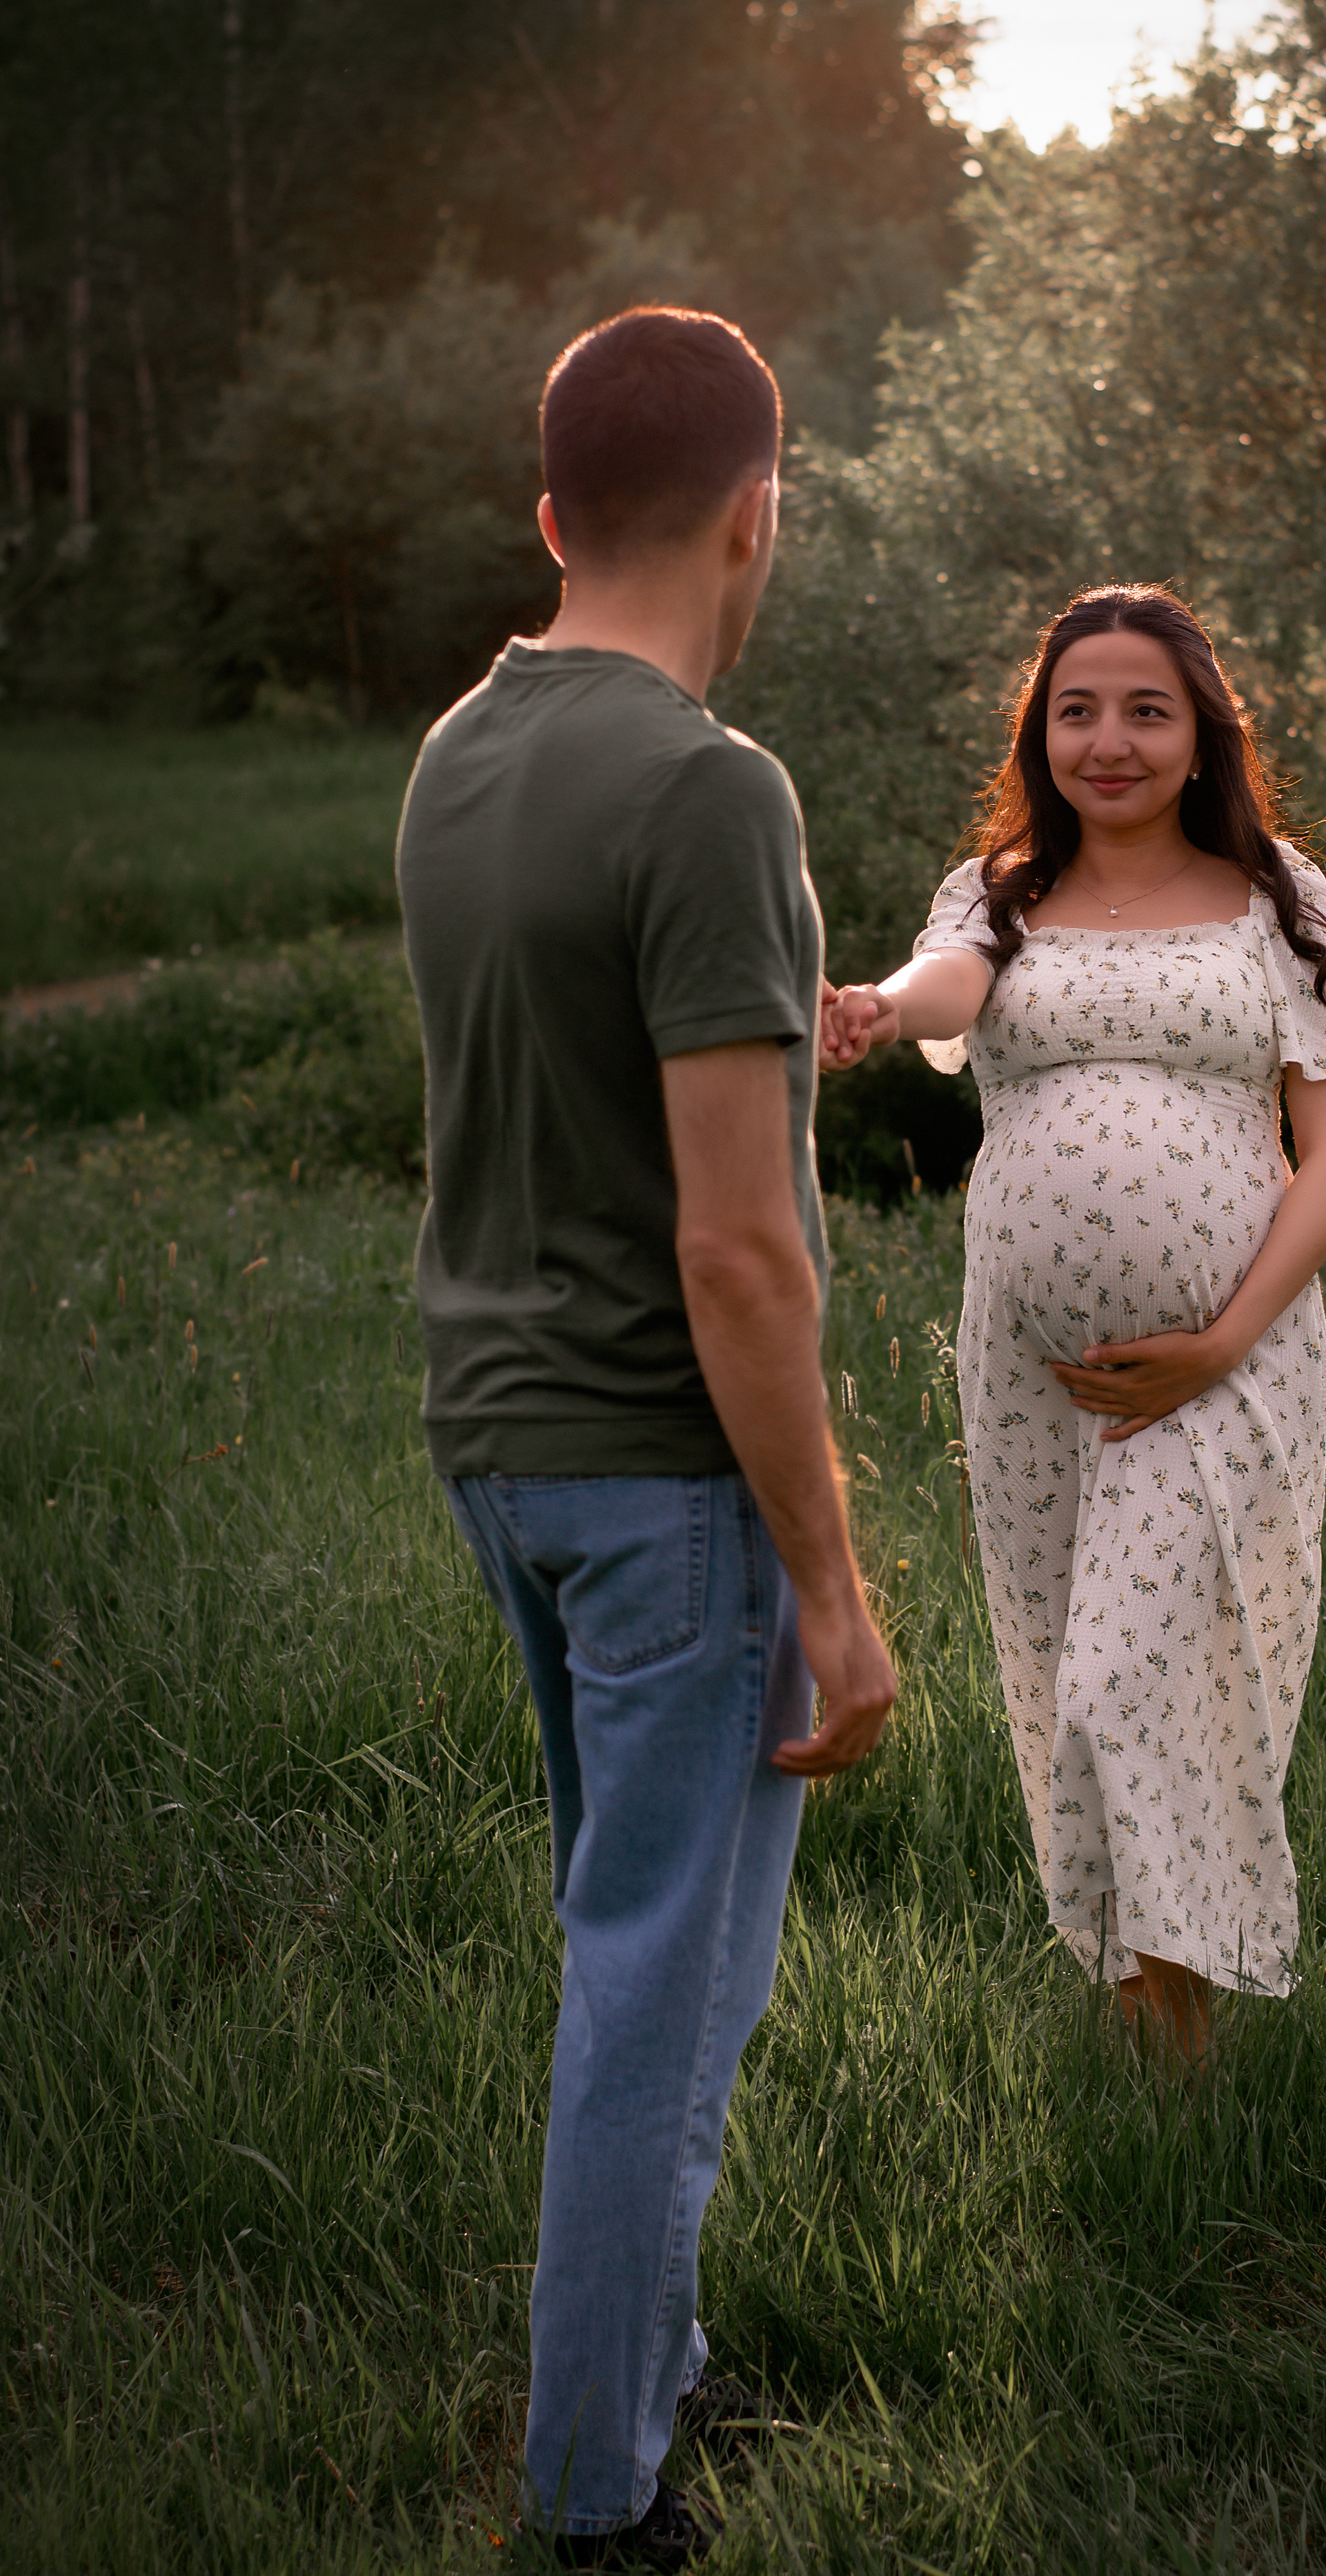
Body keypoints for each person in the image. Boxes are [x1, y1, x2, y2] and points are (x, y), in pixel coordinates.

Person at [397, 306, 897, 2570]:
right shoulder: (714, 787)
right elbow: (742, 1259)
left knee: (631, 1944)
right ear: (754, 513)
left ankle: (646, 2369)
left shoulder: (461, 752)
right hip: (664, 1475)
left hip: (499, 1444)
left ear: (546, 515)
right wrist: (837, 1584)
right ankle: (602, 2500)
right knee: (661, 1995)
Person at [822, 585, 1326, 2068]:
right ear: (1038, 732)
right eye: (1076, 710)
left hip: (1223, 1368)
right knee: (1073, 1684)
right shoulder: (994, 892)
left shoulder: (1278, 899)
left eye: (1144, 709)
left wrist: (1222, 1336)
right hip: (1029, 1378)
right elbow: (950, 986)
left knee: (1135, 1681)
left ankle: (1177, 2068)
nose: (1107, 739)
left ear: (1199, 735)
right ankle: (1151, 2049)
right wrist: (876, 1004)